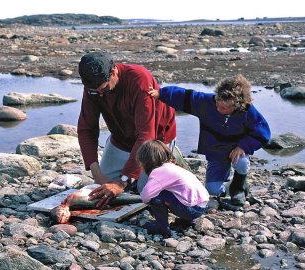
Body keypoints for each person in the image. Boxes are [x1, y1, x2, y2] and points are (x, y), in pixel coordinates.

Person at [149, 74, 271, 206]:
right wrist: (161, 93)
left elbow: (262, 134)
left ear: (238, 105)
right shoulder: (208, 103)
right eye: (217, 104)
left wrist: (244, 146)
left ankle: (239, 186)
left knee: (241, 163)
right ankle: (226, 186)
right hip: (216, 151)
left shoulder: (248, 112)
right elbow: (186, 96)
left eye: (223, 108)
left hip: (237, 149)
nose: (218, 109)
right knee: (212, 190)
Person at [77, 52, 177, 207]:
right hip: (121, 139)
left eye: (105, 89)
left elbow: (146, 135)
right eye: (94, 91)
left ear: (114, 72)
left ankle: (171, 161)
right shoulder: (93, 88)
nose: (100, 94)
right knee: (101, 188)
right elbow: (87, 129)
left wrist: (122, 182)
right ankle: (130, 173)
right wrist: (97, 175)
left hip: (155, 141)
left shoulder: (139, 79)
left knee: (146, 192)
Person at [137, 140, 209, 237]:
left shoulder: (158, 172)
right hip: (202, 207)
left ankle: (161, 227)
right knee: (175, 192)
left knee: (156, 196)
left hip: (191, 210)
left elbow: (146, 196)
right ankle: (185, 220)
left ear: (146, 160)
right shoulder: (173, 167)